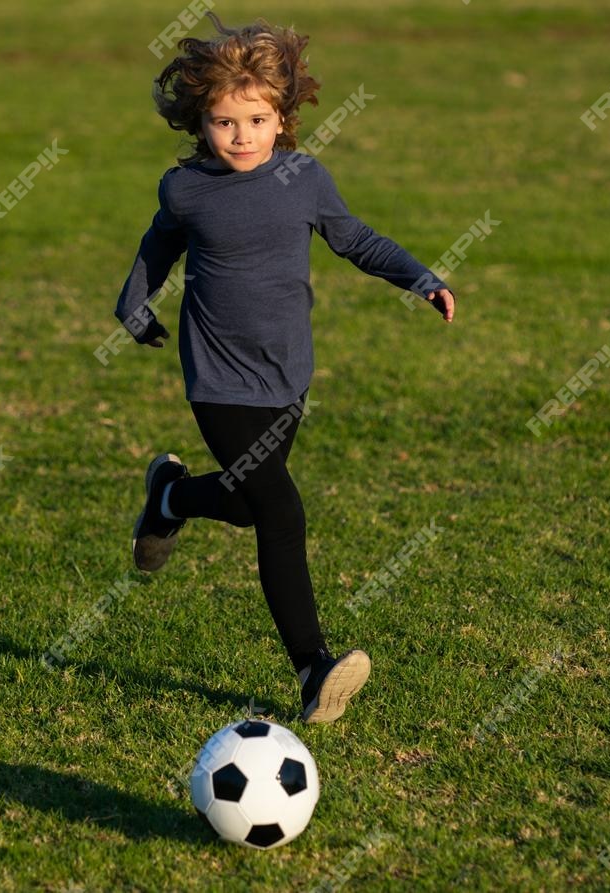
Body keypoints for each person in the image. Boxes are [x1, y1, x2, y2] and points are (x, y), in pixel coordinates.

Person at [113, 14, 457, 723]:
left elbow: (354, 238)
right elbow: (158, 246)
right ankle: (312, 669)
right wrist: (133, 303)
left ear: (283, 117)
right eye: (223, 121)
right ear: (198, 123)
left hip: (286, 375)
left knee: (245, 502)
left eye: (257, 119)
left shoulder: (304, 179)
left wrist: (418, 277)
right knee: (280, 506)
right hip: (217, 376)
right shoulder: (186, 191)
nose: (241, 135)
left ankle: (171, 499)